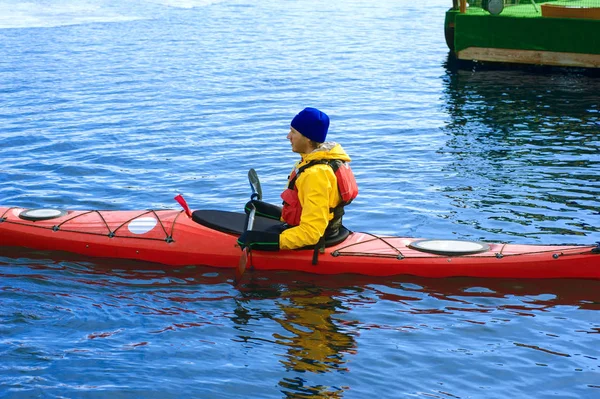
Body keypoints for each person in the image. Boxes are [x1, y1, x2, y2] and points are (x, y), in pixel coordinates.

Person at [237, 107, 358, 252]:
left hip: (317, 239)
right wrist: (275, 212)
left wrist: (270, 241)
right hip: (328, 228)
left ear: (307, 137)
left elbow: (311, 233)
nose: (288, 136)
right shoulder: (316, 160)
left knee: (250, 238)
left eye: (293, 132)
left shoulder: (316, 175)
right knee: (257, 213)